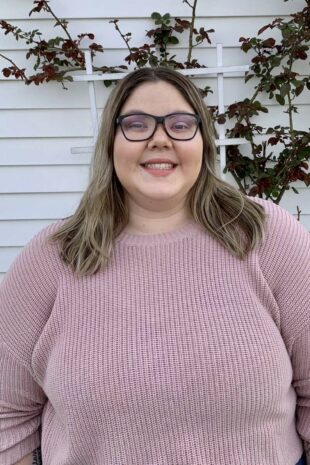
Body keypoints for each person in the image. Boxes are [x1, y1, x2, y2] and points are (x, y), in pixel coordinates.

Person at [0, 67, 309, 465]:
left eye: (181, 124)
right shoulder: (53, 257)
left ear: (203, 143)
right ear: (111, 141)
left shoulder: (265, 237)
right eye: (137, 124)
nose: (159, 139)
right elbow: (6, 415)